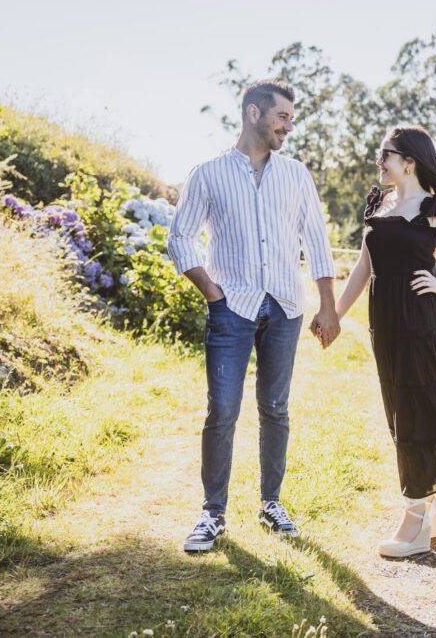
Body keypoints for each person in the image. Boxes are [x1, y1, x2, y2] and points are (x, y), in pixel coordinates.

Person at [168, 79, 340, 552]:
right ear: (253, 114)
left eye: (290, 117)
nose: (289, 125)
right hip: (233, 308)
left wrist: (328, 305)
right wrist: (211, 292)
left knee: (276, 408)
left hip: (285, 306)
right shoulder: (208, 174)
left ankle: (271, 504)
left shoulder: (297, 175)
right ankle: (212, 513)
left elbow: (316, 242)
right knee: (222, 410)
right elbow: (180, 236)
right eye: (282, 116)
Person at [334, 124, 436, 557]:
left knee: (417, 408)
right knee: (399, 409)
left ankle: (416, 520)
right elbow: (363, 268)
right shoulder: (379, 204)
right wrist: (333, 314)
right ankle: (429, 508)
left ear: (409, 160)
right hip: (384, 322)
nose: (378, 161)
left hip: (422, 320)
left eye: (385, 153)